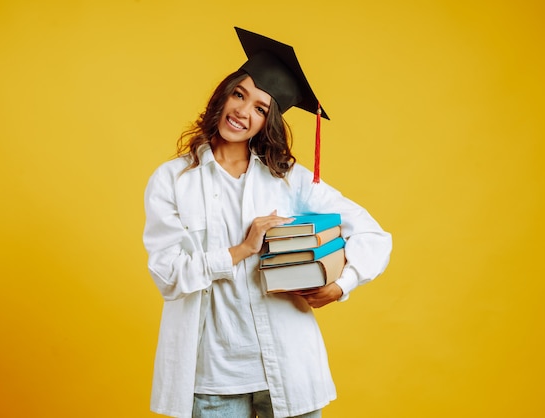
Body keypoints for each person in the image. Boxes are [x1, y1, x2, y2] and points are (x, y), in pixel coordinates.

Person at [143, 27, 392, 418]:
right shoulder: (173, 181)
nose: (243, 112)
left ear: (268, 121)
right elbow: (168, 275)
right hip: (213, 379)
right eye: (239, 94)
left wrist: (341, 286)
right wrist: (240, 251)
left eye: (260, 108)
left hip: (289, 370)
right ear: (223, 95)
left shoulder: (287, 179)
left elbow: (374, 234)